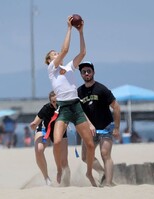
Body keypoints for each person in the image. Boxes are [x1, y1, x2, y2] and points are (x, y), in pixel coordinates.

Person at [44, 16, 97, 186]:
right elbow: (66, 49)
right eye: (54, 54)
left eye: (56, 53)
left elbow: (82, 53)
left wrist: (80, 32)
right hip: (63, 108)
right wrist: (68, 28)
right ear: (49, 60)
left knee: (89, 145)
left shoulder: (68, 67)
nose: (57, 54)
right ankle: (60, 169)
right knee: (57, 141)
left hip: (75, 105)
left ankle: (89, 172)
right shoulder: (51, 69)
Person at [77, 61, 121, 186]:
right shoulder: (79, 92)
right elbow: (79, 111)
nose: (86, 73)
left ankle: (108, 183)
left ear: (93, 72)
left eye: (89, 71)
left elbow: (116, 108)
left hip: (106, 127)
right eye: (84, 72)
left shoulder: (102, 89)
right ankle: (102, 172)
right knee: (85, 157)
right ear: (81, 74)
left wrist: (117, 128)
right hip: (89, 130)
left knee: (105, 153)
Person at [29, 91, 70, 186]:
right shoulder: (46, 108)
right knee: (39, 149)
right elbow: (36, 121)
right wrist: (33, 125)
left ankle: (67, 183)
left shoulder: (65, 109)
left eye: (58, 101)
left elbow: (67, 123)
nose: (56, 103)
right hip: (45, 130)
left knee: (64, 161)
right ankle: (46, 178)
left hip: (60, 131)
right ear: (51, 102)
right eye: (54, 102)